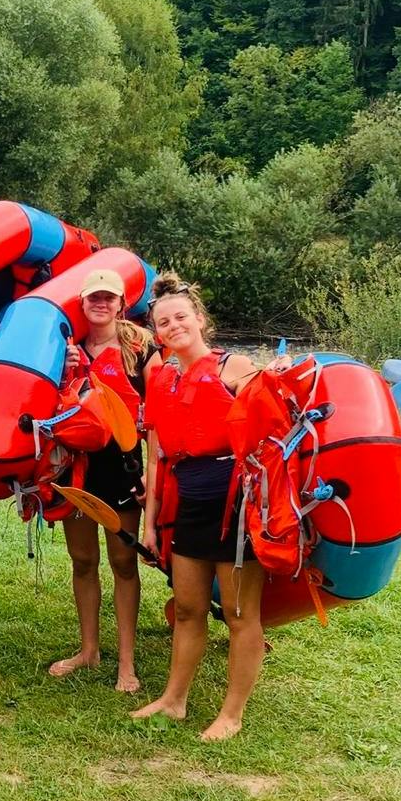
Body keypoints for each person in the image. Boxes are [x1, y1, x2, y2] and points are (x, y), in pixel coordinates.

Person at [133, 272, 269, 740]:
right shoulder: (161, 377)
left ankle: (231, 714)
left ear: (199, 319)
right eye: (164, 322)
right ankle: (174, 700)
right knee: (189, 608)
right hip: (189, 501)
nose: (174, 326)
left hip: (238, 505)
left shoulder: (237, 368)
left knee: (238, 614)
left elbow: (272, 439)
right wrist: (150, 526)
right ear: (156, 332)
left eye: (181, 317)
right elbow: (156, 458)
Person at [50, 269, 158, 693]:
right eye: (94, 296)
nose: (101, 303)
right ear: (83, 301)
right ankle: (89, 649)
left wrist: (152, 466)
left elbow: (157, 417)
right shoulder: (67, 347)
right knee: (82, 561)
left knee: (122, 562)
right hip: (77, 466)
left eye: (108, 297)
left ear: (120, 303)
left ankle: (126, 663)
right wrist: (64, 370)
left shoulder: (140, 347)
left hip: (123, 468)